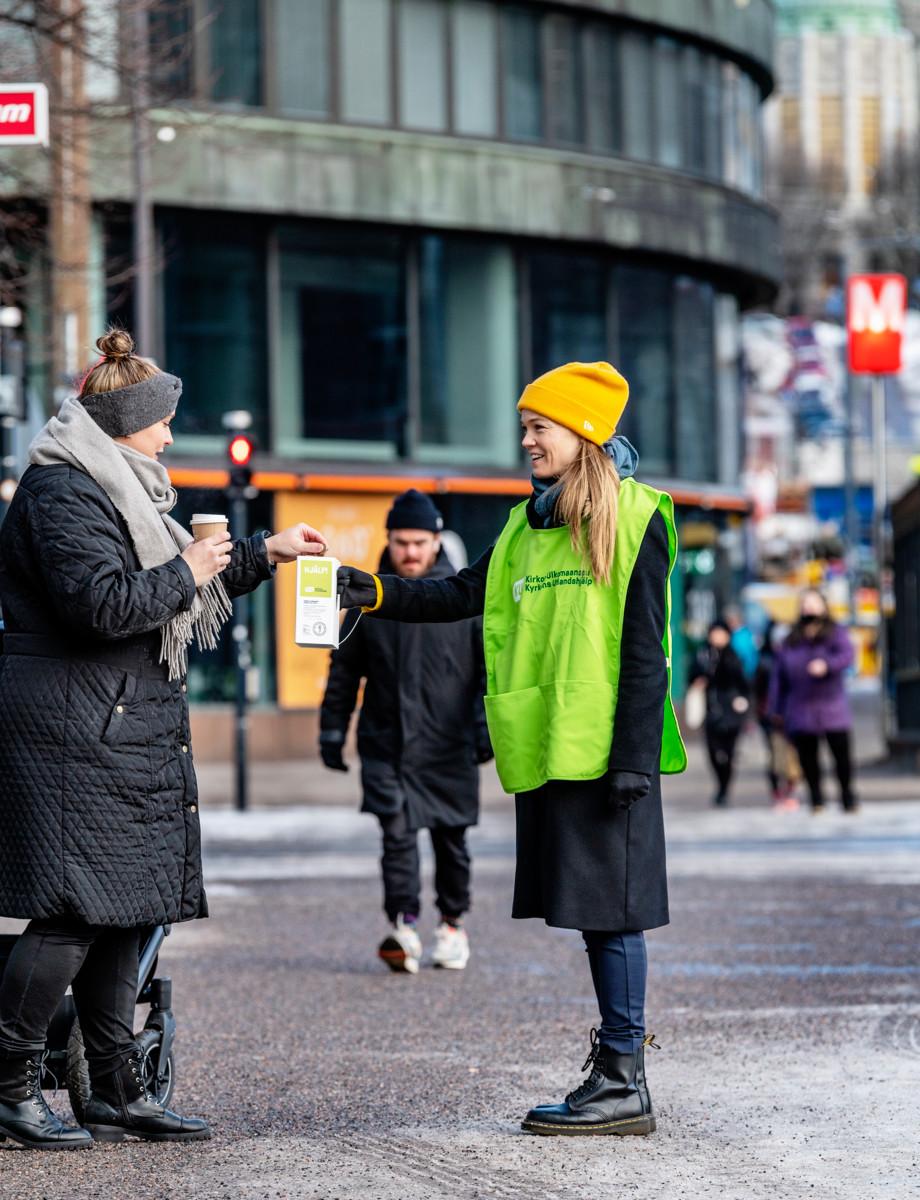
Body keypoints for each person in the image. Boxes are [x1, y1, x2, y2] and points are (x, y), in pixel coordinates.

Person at [337, 361, 687, 1137]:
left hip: (606, 754)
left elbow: (644, 651)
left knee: (615, 913)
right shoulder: (527, 524)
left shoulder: (638, 518)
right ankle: (617, 1073)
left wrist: (633, 756)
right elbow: (465, 594)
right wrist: (377, 591)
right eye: (524, 427)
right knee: (596, 915)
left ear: (583, 432)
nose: (525, 440)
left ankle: (624, 1079)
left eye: (539, 426)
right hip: (556, 744)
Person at [0, 330, 327, 1150]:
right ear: (122, 423)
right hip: (74, 728)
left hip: (120, 723)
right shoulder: (62, 494)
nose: (172, 437)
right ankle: (8, 1086)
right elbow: (104, 605)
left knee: (128, 909)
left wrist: (262, 554)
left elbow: (168, 583)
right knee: (72, 911)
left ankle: (114, 1090)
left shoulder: (123, 491)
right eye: (162, 422)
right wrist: (192, 569)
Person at [319, 489, 491, 974]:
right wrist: (332, 733)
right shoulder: (367, 597)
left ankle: (452, 926)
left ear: (437, 541)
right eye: (402, 542)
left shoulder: (463, 599)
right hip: (386, 744)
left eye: (419, 542)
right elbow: (343, 673)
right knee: (395, 840)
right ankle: (404, 927)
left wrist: (485, 731)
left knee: (451, 843)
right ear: (389, 540)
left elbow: (486, 673)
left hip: (449, 745)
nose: (411, 552)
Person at [768, 589, 857, 813]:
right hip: (801, 706)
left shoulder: (835, 632)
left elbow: (847, 655)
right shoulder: (791, 638)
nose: (809, 608)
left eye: (814, 603)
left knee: (841, 756)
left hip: (831, 705)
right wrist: (775, 707)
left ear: (824, 606)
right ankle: (816, 799)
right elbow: (779, 676)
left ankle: (847, 796)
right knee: (808, 758)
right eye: (805, 603)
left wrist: (827, 665)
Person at [689, 621, 751, 807]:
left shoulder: (733, 656)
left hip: (731, 711)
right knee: (714, 753)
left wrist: (742, 701)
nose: (717, 637)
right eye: (714, 634)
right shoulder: (702, 655)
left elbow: (743, 683)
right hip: (710, 710)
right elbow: (692, 676)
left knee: (729, 753)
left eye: (720, 634)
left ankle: (725, 789)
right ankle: (721, 785)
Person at [753, 620, 800, 810]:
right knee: (775, 756)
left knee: (793, 757)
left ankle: (788, 791)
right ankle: (778, 793)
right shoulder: (765, 663)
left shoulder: (794, 660)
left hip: (794, 714)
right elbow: (758, 691)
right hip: (771, 717)